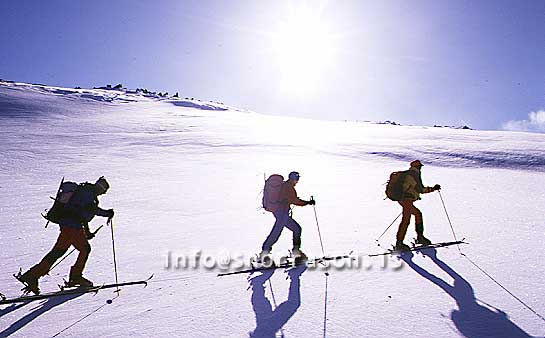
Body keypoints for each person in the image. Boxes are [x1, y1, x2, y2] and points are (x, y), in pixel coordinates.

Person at [18, 176, 114, 294]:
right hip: (72, 227)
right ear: (100, 188)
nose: (102, 194)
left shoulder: (85, 191)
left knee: (59, 251)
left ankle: (33, 275)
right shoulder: (88, 194)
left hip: (70, 226)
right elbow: (90, 210)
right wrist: (107, 213)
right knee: (84, 249)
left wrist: (87, 232)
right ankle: (75, 277)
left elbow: (82, 213)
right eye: (103, 191)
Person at [260, 171, 315, 261]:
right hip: (282, 213)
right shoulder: (288, 187)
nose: (297, 181)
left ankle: (296, 252)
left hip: (280, 212)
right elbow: (295, 200)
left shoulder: (285, 185)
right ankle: (265, 253)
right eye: (297, 179)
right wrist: (307, 202)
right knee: (277, 232)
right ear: (294, 179)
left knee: (296, 229)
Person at [395, 160, 441, 251]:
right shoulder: (414, 175)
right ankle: (399, 243)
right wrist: (433, 189)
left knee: (417, 214)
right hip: (407, 200)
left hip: (402, 199)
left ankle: (420, 237)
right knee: (406, 220)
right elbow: (420, 189)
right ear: (418, 167)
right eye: (420, 166)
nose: (421, 168)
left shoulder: (409, 174)